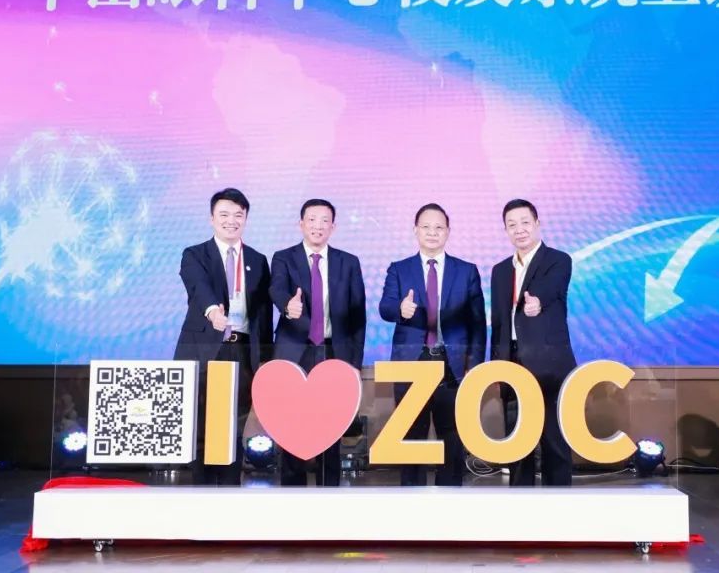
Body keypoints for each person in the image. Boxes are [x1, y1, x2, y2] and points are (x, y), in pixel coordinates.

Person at [378, 203, 486, 486]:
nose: (432, 232)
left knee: (451, 435)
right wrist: (400, 310)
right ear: (415, 230)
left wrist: (474, 366)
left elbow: (477, 324)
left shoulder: (466, 271)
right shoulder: (399, 269)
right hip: (411, 363)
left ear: (448, 232)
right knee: (411, 434)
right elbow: (385, 307)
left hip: (452, 365)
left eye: (439, 227)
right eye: (426, 227)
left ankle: (450, 498)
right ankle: (411, 499)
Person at [174, 188, 273, 486]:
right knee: (202, 422)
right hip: (205, 348)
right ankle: (202, 487)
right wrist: (212, 311)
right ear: (212, 218)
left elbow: (263, 313)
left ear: (246, 218)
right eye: (224, 215)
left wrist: (265, 358)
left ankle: (230, 487)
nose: (231, 221)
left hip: (241, 350)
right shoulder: (195, 254)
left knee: (236, 422)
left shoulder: (257, 259)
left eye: (238, 215)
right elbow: (198, 286)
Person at [269, 198, 366, 486]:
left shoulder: (348, 262)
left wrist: (354, 363)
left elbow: (358, 316)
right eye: (312, 219)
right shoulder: (283, 257)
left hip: (334, 352)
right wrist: (288, 306)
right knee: (292, 424)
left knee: (331, 425)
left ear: (333, 227)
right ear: (301, 224)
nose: (318, 226)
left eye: (325, 220)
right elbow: (276, 288)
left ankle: (329, 490)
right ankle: (292, 490)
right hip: (295, 352)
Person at [490, 198, 576, 486]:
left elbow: (550, 290)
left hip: (549, 364)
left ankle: (559, 502)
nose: (519, 230)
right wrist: (496, 365)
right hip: (512, 362)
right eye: (512, 225)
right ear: (505, 230)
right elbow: (499, 323)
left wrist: (536, 302)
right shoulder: (500, 271)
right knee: (517, 442)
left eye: (525, 222)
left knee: (554, 439)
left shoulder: (558, 260)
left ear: (537, 224)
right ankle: (519, 502)